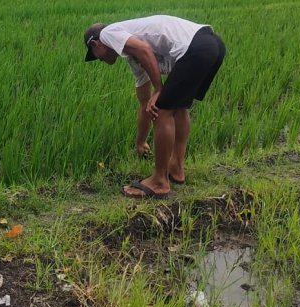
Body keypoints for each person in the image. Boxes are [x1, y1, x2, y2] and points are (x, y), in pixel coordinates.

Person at [84, 15, 225, 198]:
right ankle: (176, 169)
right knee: (178, 107)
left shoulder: (107, 33)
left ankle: (159, 181)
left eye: (95, 56)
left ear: (96, 45)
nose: (99, 61)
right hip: (213, 45)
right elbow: (144, 103)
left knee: (162, 110)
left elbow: (144, 49)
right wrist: (140, 142)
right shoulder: (133, 57)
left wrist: (159, 89)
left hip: (196, 47)